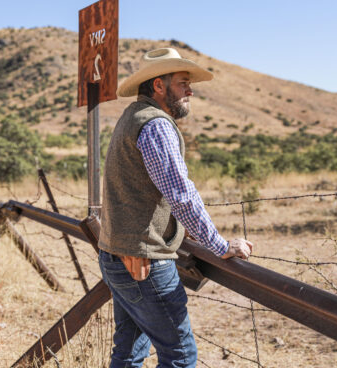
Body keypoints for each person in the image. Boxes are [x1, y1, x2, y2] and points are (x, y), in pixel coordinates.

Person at [98, 47, 254, 367]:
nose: (190, 91)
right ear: (159, 85)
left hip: (116, 255)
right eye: (183, 83)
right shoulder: (155, 125)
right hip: (145, 261)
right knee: (180, 356)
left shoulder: (132, 116)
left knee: (128, 354)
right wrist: (220, 245)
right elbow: (181, 193)